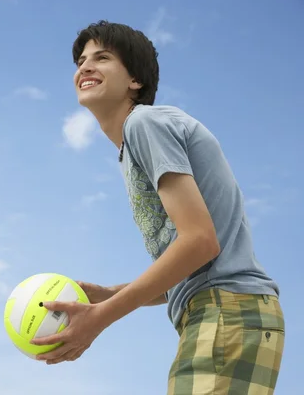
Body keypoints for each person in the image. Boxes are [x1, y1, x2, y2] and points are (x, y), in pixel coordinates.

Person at [30, 20, 285, 394]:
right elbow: (192, 263)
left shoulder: (144, 124)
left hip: (226, 312)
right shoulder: (136, 144)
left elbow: (199, 242)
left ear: (135, 80)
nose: (84, 67)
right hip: (227, 313)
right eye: (81, 60)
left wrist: (101, 317)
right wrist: (109, 292)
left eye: (102, 58)